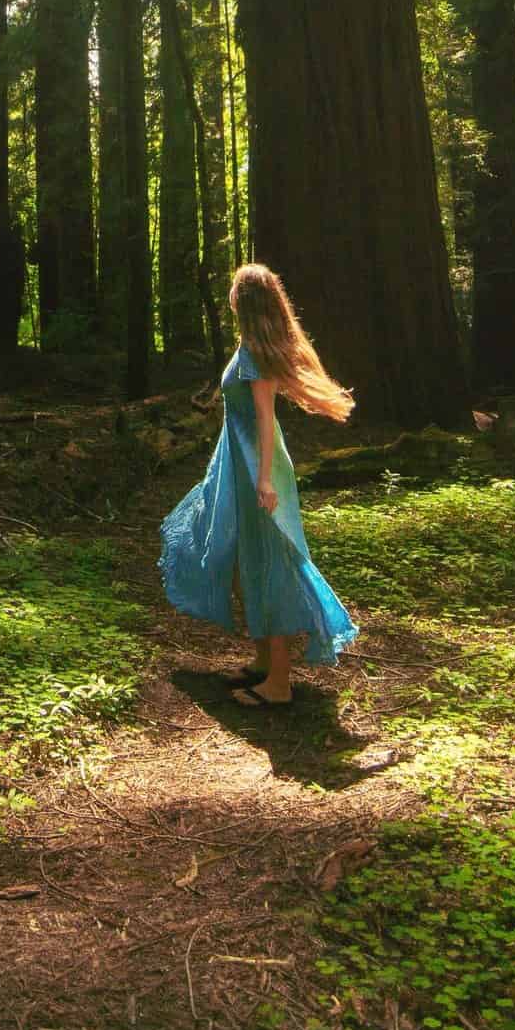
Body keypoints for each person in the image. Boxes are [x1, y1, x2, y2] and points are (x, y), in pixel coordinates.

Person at [159, 261, 358, 707]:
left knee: (268, 566)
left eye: (233, 289)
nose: (229, 295)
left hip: (257, 470)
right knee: (242, 561)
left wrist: (265, 480)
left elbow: (266, 420)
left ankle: (279, 684)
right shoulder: (250, 346)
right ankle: (264, 662)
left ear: (242, 299)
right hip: (240, 466)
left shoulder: (255, 355)